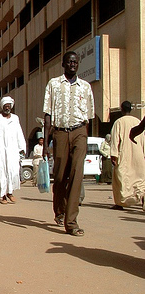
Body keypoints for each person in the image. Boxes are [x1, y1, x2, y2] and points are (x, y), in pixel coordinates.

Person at [43, 51, 94, 237]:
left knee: (76, 175)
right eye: (69, 62)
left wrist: (86, 139)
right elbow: (47, 116)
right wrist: (45, 144)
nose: (72, 64)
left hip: (80, 131)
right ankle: (60, 210)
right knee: (60, 177)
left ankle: (71, 222)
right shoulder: (54, 85)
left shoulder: (86, 87)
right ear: (63, 64)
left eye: (75, 62)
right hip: (60, 133)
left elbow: (89, 117)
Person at [0, 96, 26, 204]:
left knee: (13, 171)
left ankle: (10, 192)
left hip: (12, 150)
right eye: (5, 106)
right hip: (1, 150)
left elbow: (19, 133)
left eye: (9, 106)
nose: (7, 108)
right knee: (2, 172)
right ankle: (3, 195)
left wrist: (22, 147)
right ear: (2, 107)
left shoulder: (15, 118)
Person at [110, 101, 145, 210]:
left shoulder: (118, 122)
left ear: (122, 109)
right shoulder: (137, 121)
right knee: (138, 179)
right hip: (138, 155)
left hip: (124, 155)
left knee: (122, 179)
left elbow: (115, 139)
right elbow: (143, 139)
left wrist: (113, 155)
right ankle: (142, 198)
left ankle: (120, 203)